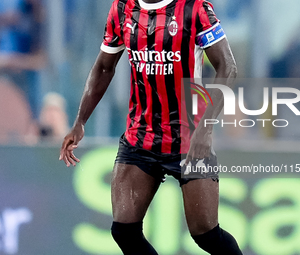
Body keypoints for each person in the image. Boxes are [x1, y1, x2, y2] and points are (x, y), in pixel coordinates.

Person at [60, 0, 242, 254]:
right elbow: (104, 66)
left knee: (206, 235)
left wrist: (206, 128)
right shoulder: (122, 9)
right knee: (124, 230)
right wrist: (80, 121)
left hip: (188, 139)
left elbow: (227, 66)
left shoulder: (195, 8)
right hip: (140, 135)